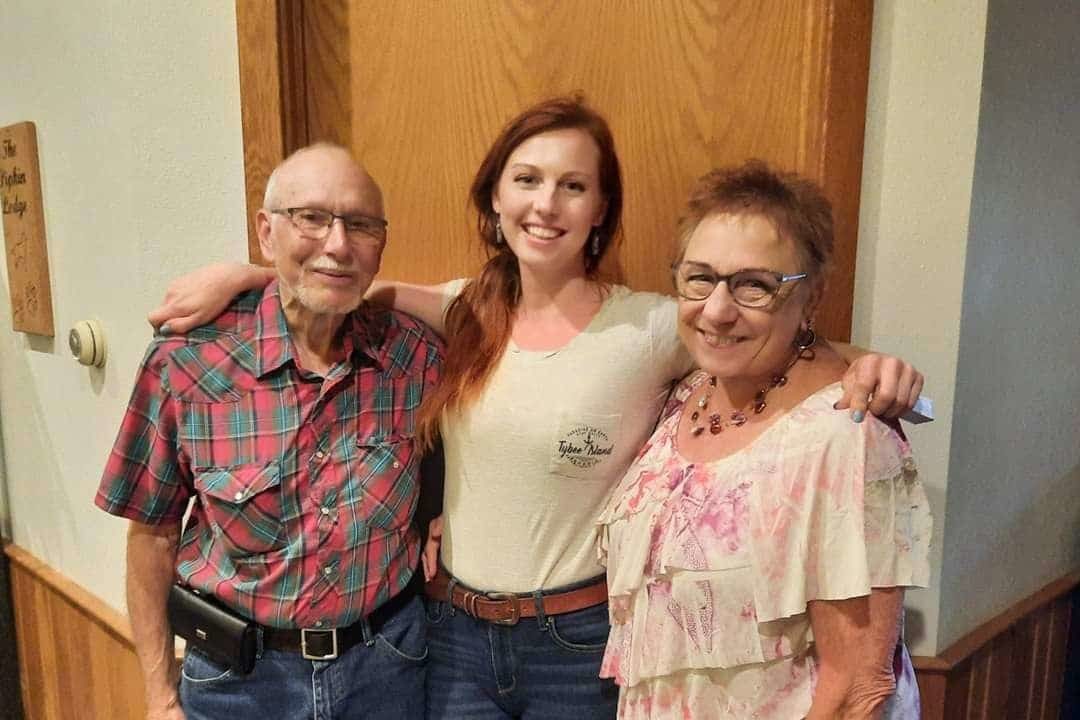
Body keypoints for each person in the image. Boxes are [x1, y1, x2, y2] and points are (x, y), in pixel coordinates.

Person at [148, 98, 924, 719]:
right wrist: (248, 275)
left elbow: (771, 336)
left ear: (600, 209)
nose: (546, 203)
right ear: (494, 197)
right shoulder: (457, 312)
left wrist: (880, 370)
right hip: (448, 639)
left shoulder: (655, 324)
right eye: (526, 179)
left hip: (578, 645)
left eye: (573, 185)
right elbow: (343, 283)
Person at [96, 144, 443, 720]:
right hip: (239, 683)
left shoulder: (415, 356)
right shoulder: (186, 365)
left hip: (388, 669)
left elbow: (506, 316)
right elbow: (151, 538)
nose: (337, 243)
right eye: (310, 218)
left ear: (380, 246)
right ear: (266, 230)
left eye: (360, 225)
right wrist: (159, 700)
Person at [597, 161, 929, 719]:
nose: (718, 310)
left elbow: (858, 689)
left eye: (756, 286)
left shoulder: (846, 435)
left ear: (811, 296)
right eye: (699, 278)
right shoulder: (688, 396)